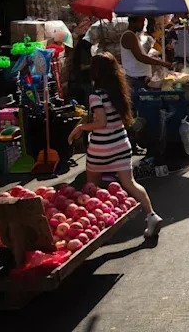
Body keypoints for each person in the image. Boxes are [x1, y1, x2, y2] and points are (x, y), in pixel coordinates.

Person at [69, 53, 163, 238]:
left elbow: (101, 122)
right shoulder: (119, 92)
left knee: (91, 186)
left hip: (101, 148)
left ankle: (94, 223)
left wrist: (81, 127)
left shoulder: (96, 96)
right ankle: (152, 215)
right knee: (130, 183)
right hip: (121, 144)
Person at [120, 17, 172, 92]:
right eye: (141, 21)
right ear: (132, 22)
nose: (143, 24)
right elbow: (140, 57)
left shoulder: (134, 35)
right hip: (135, 79)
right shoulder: (129, 36)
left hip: (140, 78)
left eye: (143, 22)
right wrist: (163, 63)